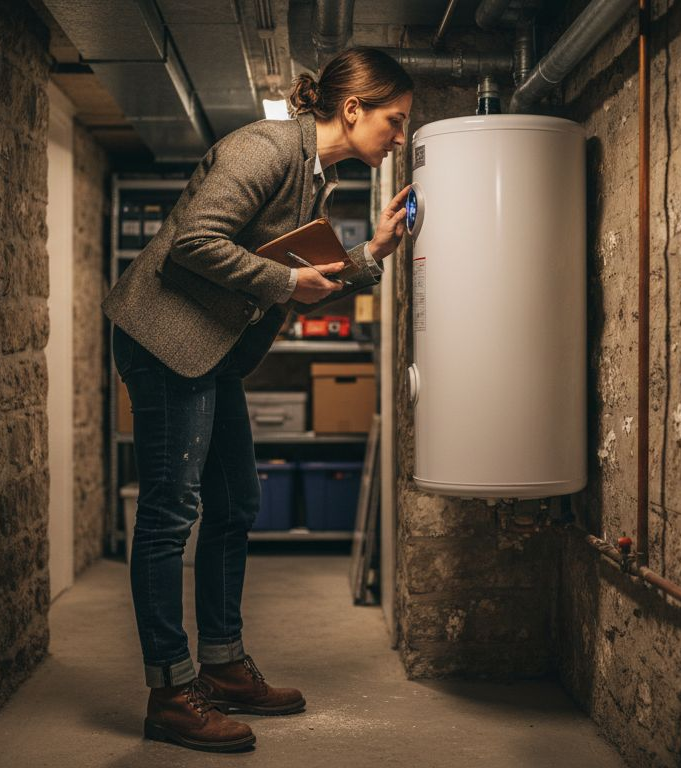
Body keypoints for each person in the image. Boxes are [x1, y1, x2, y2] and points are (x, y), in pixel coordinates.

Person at [101, 46, 414, 753]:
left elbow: (304, 271)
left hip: (206, 349)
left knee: (237, 500)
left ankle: (222, 665)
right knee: (169, 512)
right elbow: (193, 243)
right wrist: (284, 287)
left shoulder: (315, 176)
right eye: (393, 122)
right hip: (165, 339)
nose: (399, 138)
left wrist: (378, 254)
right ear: (354, 108)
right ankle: (171, 692)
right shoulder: (266, 149)